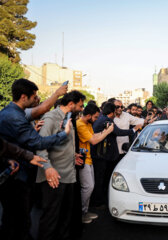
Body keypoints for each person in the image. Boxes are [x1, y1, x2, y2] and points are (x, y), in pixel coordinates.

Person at [0, 79, 72, 240]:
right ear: (24, 97)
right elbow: (38, 142)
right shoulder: (15, 117)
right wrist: (64, 134)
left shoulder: (13, 112)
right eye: (34, 96)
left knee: (13, 218)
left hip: (17, 170)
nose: (37, 99)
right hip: (15, 176)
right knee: (19, 219)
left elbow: (41, 110)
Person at [35, 90, 86, 240]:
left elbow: (60, 145)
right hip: (53, 177)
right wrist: (48, 168)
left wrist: (72, 156)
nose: (82, 109)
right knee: (51, 220)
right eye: (80, 106)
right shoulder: (51, 118)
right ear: (71, 104)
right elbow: (40, 146)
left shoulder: (68, 117)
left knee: (65, 219)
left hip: (68, 176)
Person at [91, 102, 142, 207]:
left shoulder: (102, 119)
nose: (117, 112)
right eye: (116, 110)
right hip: (101, 155)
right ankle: (97, 201)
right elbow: (119, 132)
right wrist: (134, 129)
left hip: (99, 155)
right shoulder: (107, 121)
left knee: (101, 178)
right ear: (112, 112)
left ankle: (99, 199)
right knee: (100, 179)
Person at [77, 103, 115, 223]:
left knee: (90, 186)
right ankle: (81, 213)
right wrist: (108, 132)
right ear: (88, 115)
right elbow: (94, 141)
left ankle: (85, 211)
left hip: (88, 159)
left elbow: (93, 135)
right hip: (83, 160)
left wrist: (104, 131)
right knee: (88, 187)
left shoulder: (88, 124)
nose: (97, 119)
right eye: (95, 117)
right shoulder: (80, 125)